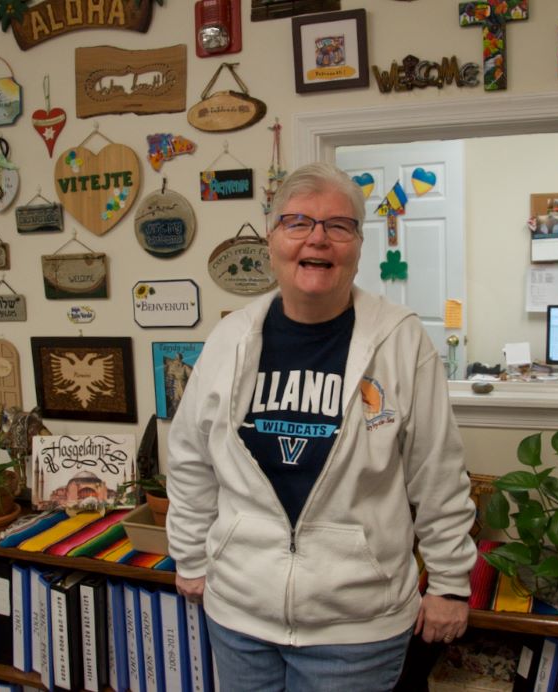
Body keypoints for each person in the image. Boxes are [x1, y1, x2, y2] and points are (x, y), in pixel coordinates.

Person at [166, 162, 477, 691]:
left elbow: (437, 471)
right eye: (298, 223)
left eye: (338, 225)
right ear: (272, 240)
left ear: (358, 245)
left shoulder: (401, 341)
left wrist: (449, 583)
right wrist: (190, 556)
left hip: (357, 627)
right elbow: (191, 457)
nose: (318, 238)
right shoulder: (230, 338)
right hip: (240, 615)